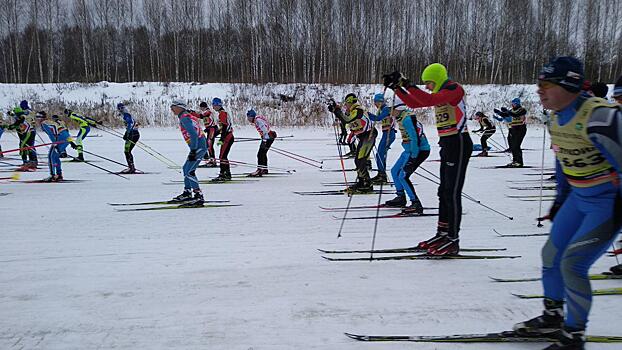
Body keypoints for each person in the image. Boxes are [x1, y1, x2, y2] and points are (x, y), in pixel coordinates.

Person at [512, 56, 622, 350]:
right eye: (538, 84)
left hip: (606, 204)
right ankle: (553, 317)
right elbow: (563, 162)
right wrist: (560, 200)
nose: (539, 90)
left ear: (570, 85)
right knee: (551, 256)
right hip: (577, 198)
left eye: (546, 84)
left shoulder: (600, 116)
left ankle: (574, 335)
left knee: (573, 264)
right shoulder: (555, 116)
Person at [383, 63, 472, 256]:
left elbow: (426, 98)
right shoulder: (439, 93)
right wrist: (398, 88)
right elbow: (417, 103)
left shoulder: (453, 89)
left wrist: (405, 83)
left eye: (429, 83)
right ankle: (442, 233)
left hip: (459, 142)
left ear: (438, 79)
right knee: (443, 191)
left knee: (452, 192)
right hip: (447, 144)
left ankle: (453, 239)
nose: (428, 87)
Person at [384, 97, 430, 213]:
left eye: (391, 109)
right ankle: (400, 197)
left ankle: (416, 203)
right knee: (394, 171)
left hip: (418, 150)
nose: (390, 112)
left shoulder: (407, 119)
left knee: (403, 176)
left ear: (398, 108)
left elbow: (415, 138)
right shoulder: (400, 116)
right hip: (409, 150)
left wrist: (413, 158)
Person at [328, 93, 377, 194]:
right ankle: (362, 182)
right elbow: (345, 120)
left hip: (369, 135)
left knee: (360, 159)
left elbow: (347, 119)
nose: (345, 105)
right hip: (363, 136)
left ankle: (366, 185)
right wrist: (335, 110)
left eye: (346, 103)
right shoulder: (351, 111)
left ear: (350, 103)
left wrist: (337, 111)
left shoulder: (358, 110)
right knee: (358, 160)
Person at [170, 100, 207, 206]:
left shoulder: (185, 118)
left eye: (173, 107)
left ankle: (198, 195)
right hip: (199, 147)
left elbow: (194, 134)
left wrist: (194, 150)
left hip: (198, 147)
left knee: (190, 171)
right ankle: (187, 192)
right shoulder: (186, 115)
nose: (171, 109)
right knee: (186, 168)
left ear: (180, 107)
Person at [368, 93, 395, 184]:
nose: (375, 104)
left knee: (379, 154)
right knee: (380, 154)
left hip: (389, 134)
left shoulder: (386, 109)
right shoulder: (382, 109)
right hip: (386, 134)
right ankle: (381, 174)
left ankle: (382, 175)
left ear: (380, 102)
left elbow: (378, 118)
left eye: (376, 102)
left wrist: (368, 114)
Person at [35, 111, 69, 182]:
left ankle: (53, 175)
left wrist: (55, 143)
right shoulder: (50, 122)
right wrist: (71, 142)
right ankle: (59, 175)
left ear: (41, 118)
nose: (37, 120)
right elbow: (65, 130)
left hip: (60, 138)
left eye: (38, 118)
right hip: (66, 137)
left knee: (51, 156)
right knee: (55, 156)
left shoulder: (44, 124)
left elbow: (51, 134)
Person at [246, 109, 276, 177]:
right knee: (263, 154)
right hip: (268, 138)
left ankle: (259, 170)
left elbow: (264, 130)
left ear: (252, 116)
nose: (248, 119)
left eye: (248, 117)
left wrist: (264, 140)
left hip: (267, 138)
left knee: (260, 154)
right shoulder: (257, 119)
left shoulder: (257, 120)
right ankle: (264, 169)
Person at [211, 97, 234, 182]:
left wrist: (222, 138)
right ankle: (226, 173)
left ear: (217, 105)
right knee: (223, 156)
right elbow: (221, 128)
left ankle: (224, 174)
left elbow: (224, 127)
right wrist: (215, 135)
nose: (213, 107)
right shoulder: (221, 113)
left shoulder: (222, 113)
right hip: (227, 136)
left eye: (213, 105)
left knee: (222, 156)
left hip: (228, 136)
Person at [116, 103, 140, 174]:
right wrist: (127, 133)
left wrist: (128, 133)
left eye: (120, 109)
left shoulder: (126, 115)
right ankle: (131, 167)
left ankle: (131, 168)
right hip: (135, 134)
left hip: (132, 134)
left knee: (127, 151)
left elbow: (130, 124)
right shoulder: (127, 114)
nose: (120, 110)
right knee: (127, 151)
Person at [198, 101, 219, 166]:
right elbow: (207, 122)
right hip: (210, 129)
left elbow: (201, 116)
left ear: (203, 107)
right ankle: (209, 158)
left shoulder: (208, 111)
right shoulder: (205, 112)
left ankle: (212, 161)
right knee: (207, 144)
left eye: (201, 108)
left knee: (209, 145)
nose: (201, 109)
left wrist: (192, 113)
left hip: (212, 129)